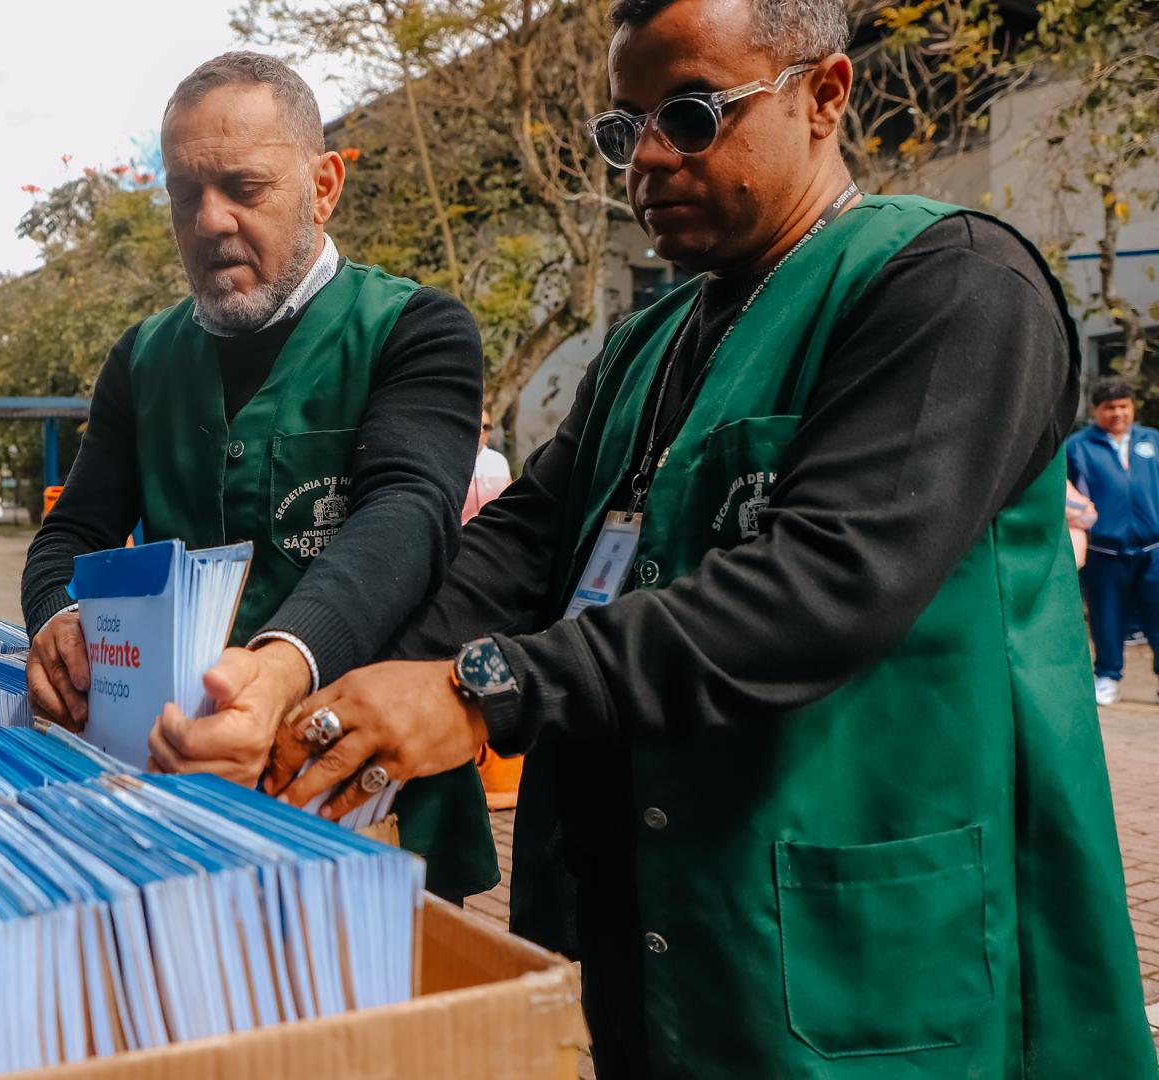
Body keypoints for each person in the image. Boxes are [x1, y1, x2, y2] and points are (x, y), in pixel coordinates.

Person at [260, 0, 1157, 1073]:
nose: (644, 157)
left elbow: (823, 587)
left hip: (859, 941)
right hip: (652, 923)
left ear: (825, 95)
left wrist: (477, 689)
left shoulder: (951, 285)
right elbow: (523, 546)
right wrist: (328, 687)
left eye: (691, 116)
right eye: (622, 124)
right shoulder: (646, 342)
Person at [19, 52, 498, 901]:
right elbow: (72, 532)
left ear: (323, 186)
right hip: (184, 804)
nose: (209, 221)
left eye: (244, 186)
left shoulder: (415, 330)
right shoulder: (141, 359)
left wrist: (284, 665)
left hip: (373, 803)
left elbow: (408, 513)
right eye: (183, 195)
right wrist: (56, 616)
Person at [1066, 379, 1159, 705]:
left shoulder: (1152, 440)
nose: (1118, 413)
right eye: (1110, 407)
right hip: (1103, 550)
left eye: (1124, 406)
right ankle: (1107, 676)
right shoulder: (1078, 446)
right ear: (1096, 410)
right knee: (1107, 617)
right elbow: (1067, 493)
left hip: (1153, 549)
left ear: (1132, 407)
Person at [462, 408, 514, 522]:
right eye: (477, 425)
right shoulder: (455, 459)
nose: (481, 431)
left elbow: (509, 500)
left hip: (494, 532)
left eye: (486, 427)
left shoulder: (500, 461)